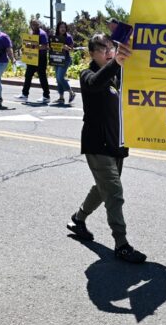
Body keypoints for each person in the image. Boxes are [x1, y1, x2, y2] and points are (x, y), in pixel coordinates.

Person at [66, 33, 146, 263]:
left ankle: (78, 219)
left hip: (116, 143)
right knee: (114, 193)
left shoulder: (119, 74)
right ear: (91, 54)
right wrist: (116, 63)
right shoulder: (88, 74)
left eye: (110, 48)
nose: (108, 52)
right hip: (96, 144)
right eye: (102, 49)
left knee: (103, 188)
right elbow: (95, 82)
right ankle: (121, 244)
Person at [17, 19, 50, 103]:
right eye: (33, 24)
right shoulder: (31, 33)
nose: (35, 26)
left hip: (41, 58)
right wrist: (24, 48)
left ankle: (46, 96)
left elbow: (45, 46)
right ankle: (24, 95)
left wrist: (33, 46)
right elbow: (28, 44)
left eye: (36, 24)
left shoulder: (42, 34)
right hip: (32, 58)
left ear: (39, 24)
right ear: (30, 25)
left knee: (42, 77)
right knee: (28, 76)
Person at [50, 21, 77, 104]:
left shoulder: (68, 37)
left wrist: (67, 47)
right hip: (56, 59)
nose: (63, 29)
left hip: (65, 59)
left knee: (60, 77)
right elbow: (50, 47)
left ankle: (71, 92)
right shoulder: (55, 37)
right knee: (58, 79)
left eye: (64, 27)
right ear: (58, 28)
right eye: (61, 27)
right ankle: (61, 98)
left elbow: (72, 49)